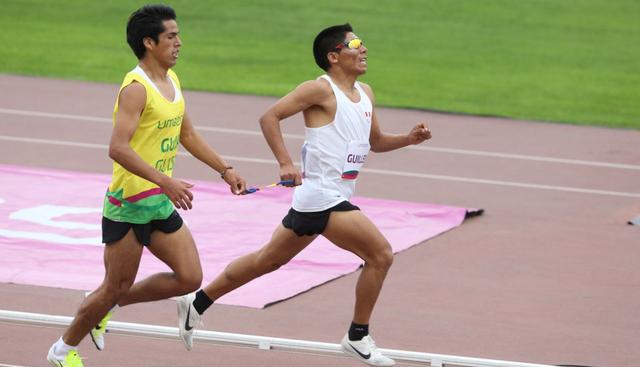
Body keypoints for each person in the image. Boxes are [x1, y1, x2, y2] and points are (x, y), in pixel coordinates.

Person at [177, 23, 431, 366]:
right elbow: (270, 117)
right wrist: (285, 162)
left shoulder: (366, 93)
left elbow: (376, 142)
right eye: (356, 44)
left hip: (326, 196)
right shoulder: (318, 90)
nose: (364, 49)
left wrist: (408, 139)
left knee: (267, 260)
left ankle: (197, 302)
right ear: (334, 55)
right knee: (381, 255)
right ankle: (357, 336)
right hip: (323, 196)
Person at [46, 4, 246, 366]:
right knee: (115, 286)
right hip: (130, 205)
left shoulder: (171, 81)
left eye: (178, 35)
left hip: (157, 200)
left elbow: (187, 133)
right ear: (149, 42)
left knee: (189, 277)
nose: (179, 43)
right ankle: (62, 351)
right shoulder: (136, 89)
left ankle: (105, 303)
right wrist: (165, 180)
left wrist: (225, 169)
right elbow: (117, 148)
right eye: (171, 37)